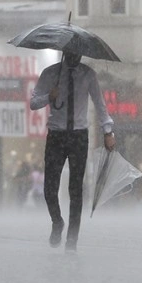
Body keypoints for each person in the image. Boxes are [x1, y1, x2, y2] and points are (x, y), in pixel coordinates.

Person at [30, 52, 115, 253]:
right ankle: (57, 221)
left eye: (79, 51)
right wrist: (48, 96)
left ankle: (72, 240)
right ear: (65, 51)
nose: (76, 55)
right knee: (50, 189)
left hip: (78, 137)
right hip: (57, 135)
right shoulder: (50, 73)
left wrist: (108, 131)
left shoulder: (88, 75)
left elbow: (100, 105)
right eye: (72, 51)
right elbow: (33, 103)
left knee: (75, 190)